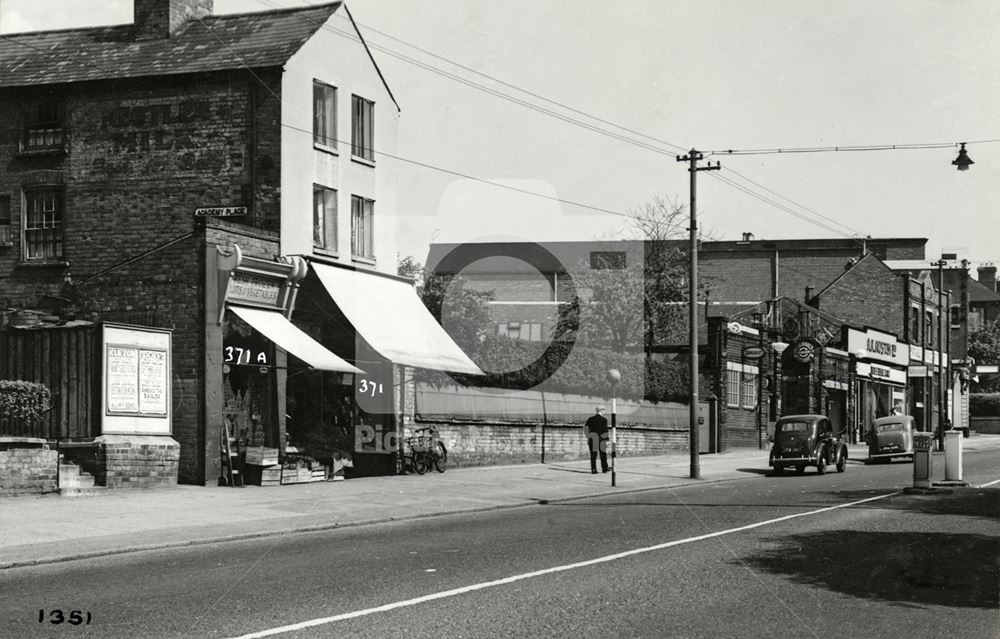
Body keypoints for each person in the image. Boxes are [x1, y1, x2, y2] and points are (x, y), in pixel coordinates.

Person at [584, 405, 610, 474]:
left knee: (593, 455)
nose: (604, 412)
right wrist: (607, 440)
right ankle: (604, 468)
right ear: (601, 411)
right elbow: (605, 431)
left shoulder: (590, 419)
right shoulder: (604, 420)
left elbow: (585, 428)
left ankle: (594, 469)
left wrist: (588, 436)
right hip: (601, 440)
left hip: (592, 439)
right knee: (603, 454)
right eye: (604, 410)